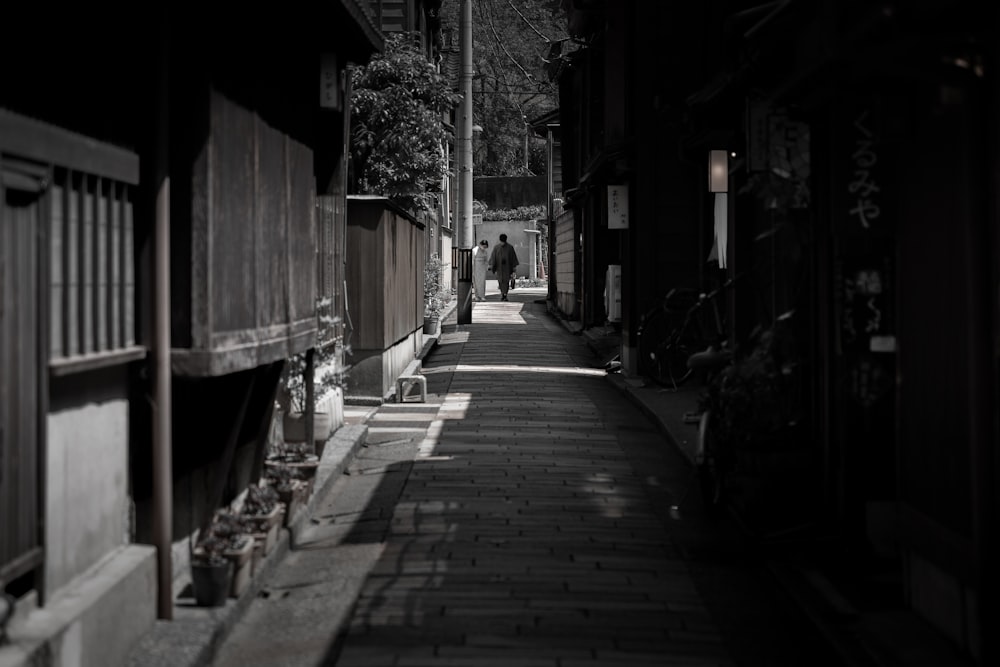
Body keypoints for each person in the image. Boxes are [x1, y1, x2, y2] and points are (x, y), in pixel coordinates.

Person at [488, 233, 519, 301]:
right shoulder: (496, 247)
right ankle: (502, 293)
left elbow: (513, 257)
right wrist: (491, 265)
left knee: (506, 281)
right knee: (500, 281)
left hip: (507, 267)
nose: (502, 243)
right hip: (499, 267)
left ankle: (505, 294)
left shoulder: (510, 247)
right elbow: (493, 257)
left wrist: (514, 268)